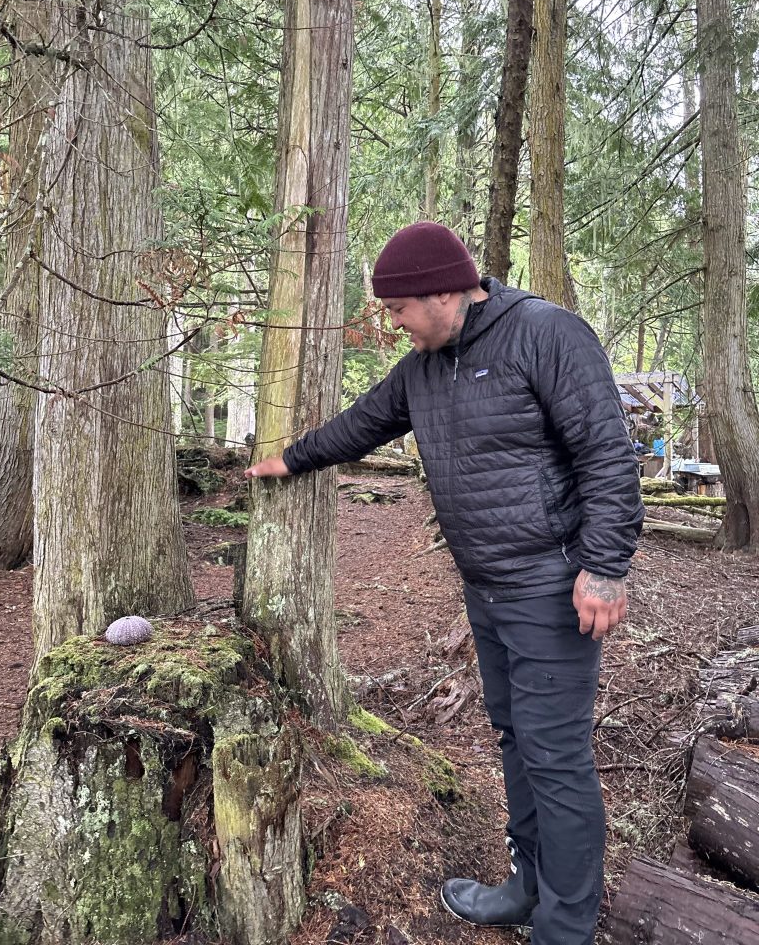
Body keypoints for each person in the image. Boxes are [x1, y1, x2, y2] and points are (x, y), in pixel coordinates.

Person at [244, 222, 644, 945]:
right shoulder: (426, 366)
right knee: (516, 740)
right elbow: (364, 423)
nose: (392, 324)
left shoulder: (546, 335)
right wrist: (291, 460)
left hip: (551, 588)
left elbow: (609, 457)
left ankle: (566, 927)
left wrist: (606, 568)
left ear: (438, 293)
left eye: (397, 310)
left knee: (555, 758)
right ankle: (526, 888)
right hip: (485, 588)